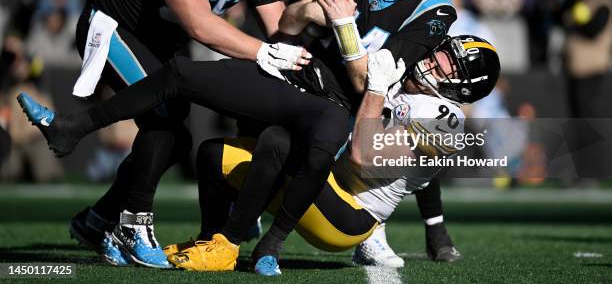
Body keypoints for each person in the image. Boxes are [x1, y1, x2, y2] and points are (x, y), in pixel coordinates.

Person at [18, 0, 454, 273]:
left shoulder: (434, 12)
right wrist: (303, 10)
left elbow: (366, 83)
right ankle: (72, 128)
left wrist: (341, 25)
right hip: (304, 77)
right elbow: (288, 24)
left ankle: (263, 246)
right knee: (182, 75)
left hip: (341, 109)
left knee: (280, 143)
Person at [27, 0, 309, 269]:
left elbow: (277, 25)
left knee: (175, 140)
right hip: (115, 26)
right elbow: (200, 26)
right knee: (164, 122)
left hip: (162, 39)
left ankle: (98, 220)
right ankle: (132, 223)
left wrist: (309, 17)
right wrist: (265, 53)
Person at [164, 35, 500, 275]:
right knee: (212, 155)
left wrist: (378, 88)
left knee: (281, 144)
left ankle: (257, 244)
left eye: (447, 66)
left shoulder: (446, 122)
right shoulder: (406, 74)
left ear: (463, 87)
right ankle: (209, 243)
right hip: (318, 178)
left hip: (349, 215)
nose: (433, 61)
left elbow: (364, 156)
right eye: (441, 52)